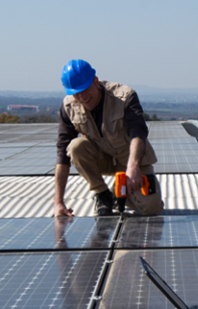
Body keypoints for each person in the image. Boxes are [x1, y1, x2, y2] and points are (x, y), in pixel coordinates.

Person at [54, 59, 163, 217]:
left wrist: (133, 168)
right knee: (75, 147)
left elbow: (138, 132)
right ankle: (102, 194)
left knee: (151, 208)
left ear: (96, 81)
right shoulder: (68, 107)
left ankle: (118, 193)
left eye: (85, 89)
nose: (82, 97)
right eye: (75, 93)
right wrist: (58, 202)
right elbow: (62, 154)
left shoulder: (124, 96)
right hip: (102, 158)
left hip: (131, 159)